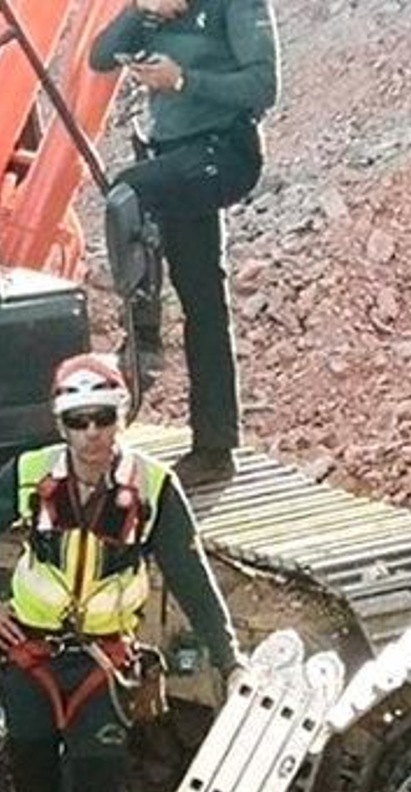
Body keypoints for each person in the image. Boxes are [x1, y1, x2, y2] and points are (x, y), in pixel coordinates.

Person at [0, 353, 239, 792]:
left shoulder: (152, 487)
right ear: (61, 424)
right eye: (77, 421)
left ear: (121, 417)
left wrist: (229, 659)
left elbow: (190, 575)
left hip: (101, 664)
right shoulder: (31, 474)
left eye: (102, 417)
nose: (91, 434)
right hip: (28, 655)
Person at [89, 0, 280, 486]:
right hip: (173, 155)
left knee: (127, 194)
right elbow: (100, 56)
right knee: (203, 298)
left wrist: (182, 80)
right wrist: (139, 9)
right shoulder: (155, 12)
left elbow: (262, 87)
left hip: (222, 150)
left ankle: (145, 338)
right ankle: (216, 447)